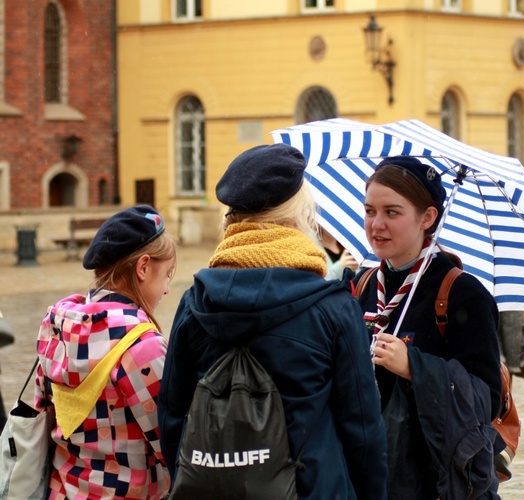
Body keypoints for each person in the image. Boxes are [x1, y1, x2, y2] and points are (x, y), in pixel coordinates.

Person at [158, 144, 387, 499]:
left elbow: (173, 415)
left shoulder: (194, 301)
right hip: (315, 487)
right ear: (298, 216)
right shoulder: (333, 308)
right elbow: (362, 429)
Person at [354, 156, 503, 499]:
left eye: (392, 212)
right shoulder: (362, 285)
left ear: (428, 217)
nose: (377, 225)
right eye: (369, 211)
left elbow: (486, 400)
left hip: (435, 481)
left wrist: (414, 367)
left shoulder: (462, 293)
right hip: (369, 475)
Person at [33, 205, 176, 499]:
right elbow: (173, 443)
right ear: (144, 267)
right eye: (167, 276)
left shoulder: (55, 329)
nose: (167, 290)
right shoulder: (142, 347)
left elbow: (41, 416)